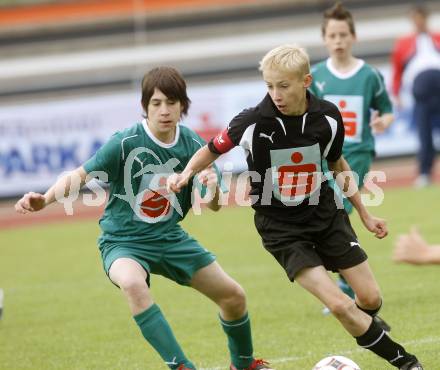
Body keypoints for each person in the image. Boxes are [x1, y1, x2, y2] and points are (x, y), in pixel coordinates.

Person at [167, 44, 423, 369]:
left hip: (327, 216)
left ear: (305, 81)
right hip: (283, 232)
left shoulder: (328, 117)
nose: (275, 93)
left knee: (369, 299)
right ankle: (407, 362)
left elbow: (337, 164)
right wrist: (187, 173)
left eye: (283, 85)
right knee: (342, 305)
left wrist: (365, 213)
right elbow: (211, 150)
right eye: (270, 85)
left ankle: (365, 328)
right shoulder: (251, 121)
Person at [14, 67, 272, 370]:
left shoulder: (193, 146)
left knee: (234, 297)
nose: (164, 110)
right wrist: (44, 200)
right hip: (122, 242)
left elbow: (213, 205)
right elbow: (79, 175)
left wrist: (213, 189)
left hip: (169, 238)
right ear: (145, 106)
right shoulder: (125, 142)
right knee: (134, 284)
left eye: (171, 102)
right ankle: (181, 366)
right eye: (156, 103)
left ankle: (243, 365)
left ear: (183, 106)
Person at [309, 2, 393, 329]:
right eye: (332, 35)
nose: (339, 40)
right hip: (325, 157)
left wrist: (384, 121)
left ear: (353, 37)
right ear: (325, 39)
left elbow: (386, 109)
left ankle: (346, 286)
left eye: (344, 34)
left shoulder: (370, 75)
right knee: (336, 214)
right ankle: (348, 283)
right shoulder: (314, 76)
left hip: (356, 155)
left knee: (339, 211)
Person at [391, 4, 440, 188]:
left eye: (421, 18)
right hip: (421, 89)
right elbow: (397, 70)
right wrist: (396, 94)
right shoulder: (403, 43)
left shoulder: (437, 37)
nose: (419, 22)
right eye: (415, 19)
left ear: (426, 18)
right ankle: (425, 172)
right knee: (424, 133)